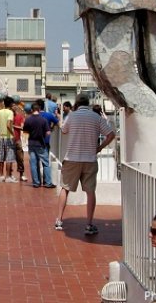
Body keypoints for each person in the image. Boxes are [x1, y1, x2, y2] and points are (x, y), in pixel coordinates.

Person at [54, 93, 115, 235]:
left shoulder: (72, 116)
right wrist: (100, 147)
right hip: (90, 159)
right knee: (90, 192)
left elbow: (64, 130)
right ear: (88, 103)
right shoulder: (96, 117)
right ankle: (89, 224)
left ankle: (59, 220)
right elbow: (111, 134)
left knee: (65, 188)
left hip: (72, 158)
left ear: (77, 103)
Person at [22, 101, 55, 188]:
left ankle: (36, 183)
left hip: (31, 144)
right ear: (39, 110)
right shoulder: (43, 120)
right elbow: (48, 132)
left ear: (32, 110)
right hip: (41, 144)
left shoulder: (28, 119)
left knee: (33, 164)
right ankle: (48, 183)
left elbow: (25, 131)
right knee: (46, 163)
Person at [0, 97, 17, 183]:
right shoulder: (10, 112)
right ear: (11, 104)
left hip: (1, 137)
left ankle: (1, 176)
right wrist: (13, 134)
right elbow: (8, 125)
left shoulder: (0, 111)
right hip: (8, 137)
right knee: (9, 158)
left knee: (1, 157)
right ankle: (8, 176)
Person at [11, 103, 27, 182]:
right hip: (10, 140)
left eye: (14, 106)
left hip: (17, 139)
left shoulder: (20, 116)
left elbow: (22, 127)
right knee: (10, 158)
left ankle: (21, 175)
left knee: (20, 158)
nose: (13, 107)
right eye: (12, 106)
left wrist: (13, 126)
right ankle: (10, 174)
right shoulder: (9, 116)